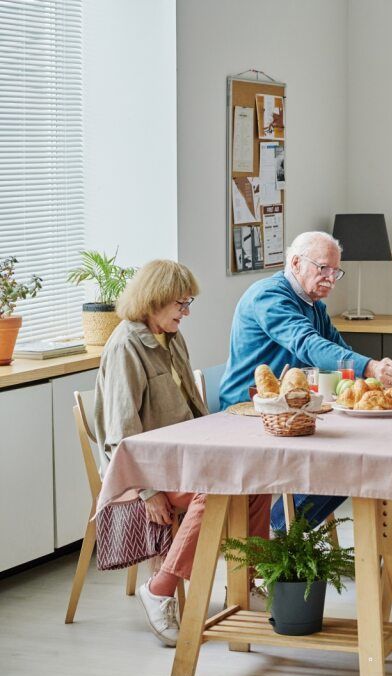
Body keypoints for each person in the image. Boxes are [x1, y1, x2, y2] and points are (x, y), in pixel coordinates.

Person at [94, 260, 271, 647]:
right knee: (221, 490)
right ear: (154, 300)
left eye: (188, 302)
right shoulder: (126, 345)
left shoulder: (171, 338)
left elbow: (193, 409)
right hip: (148, 474)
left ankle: (247, 582)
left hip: (187, 462)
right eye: (181, 303)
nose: (186, 312)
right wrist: (148, 491)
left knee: (258, 481)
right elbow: (119, 438)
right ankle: (160, 589)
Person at [219, 231, 392, 534]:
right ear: (295, 263)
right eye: (323, 269)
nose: (331, 278)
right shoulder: (270, 296)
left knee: (359, 458)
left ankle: (282, 529)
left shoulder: (314, 304)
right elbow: (307, 344)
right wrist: (369, 367)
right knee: (347, 460)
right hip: (249, 410)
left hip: (291, 412)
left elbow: (339, 351)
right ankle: (279, 529)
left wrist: (377, 381)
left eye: (335, 271)